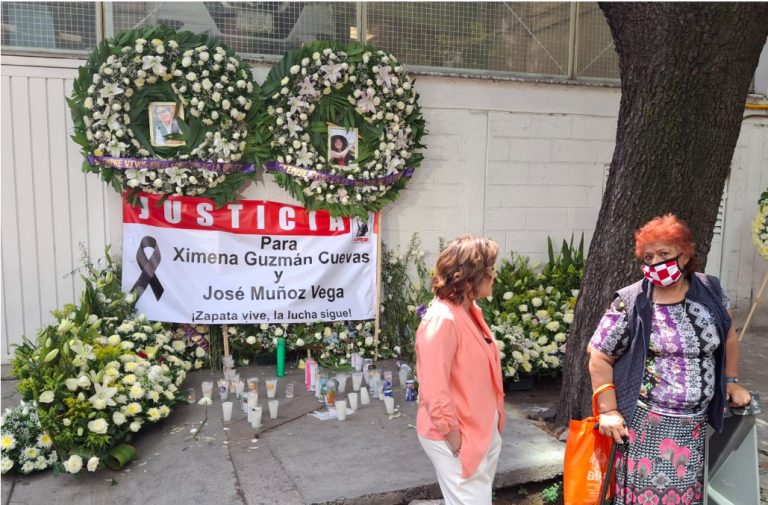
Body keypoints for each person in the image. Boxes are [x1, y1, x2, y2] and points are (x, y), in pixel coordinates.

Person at [588, 214, 752, 504]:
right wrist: (609, 410)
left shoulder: (710, 290)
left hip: (694, 426)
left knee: (687, 498)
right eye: (648, 257)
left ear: (685, 255)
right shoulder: (631, 301)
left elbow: (728, 335)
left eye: (664, 254)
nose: (655, 263)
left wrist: (731, 381)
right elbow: (599, 355)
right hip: (646, 428)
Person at [415, 235, 506, 504]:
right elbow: (433, 387)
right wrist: (454, 437)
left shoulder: (469, 311)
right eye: (490, 269)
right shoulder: (442, 320)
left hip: (479, 430)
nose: (494, 275)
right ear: (469, 276)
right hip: (458, 435)